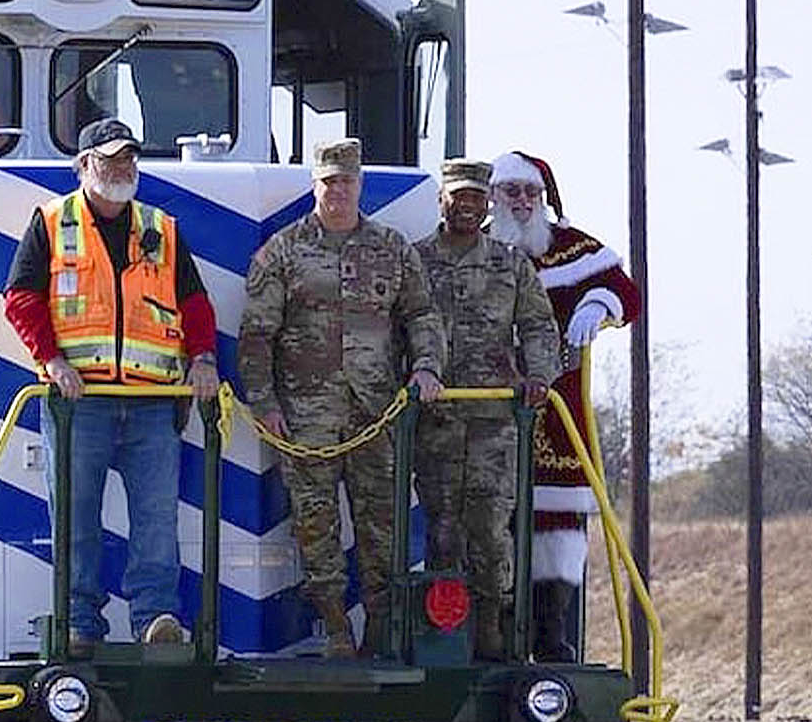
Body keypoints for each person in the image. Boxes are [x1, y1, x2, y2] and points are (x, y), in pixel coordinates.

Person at [3, 119, 221, 653]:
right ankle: (79, 623)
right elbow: (20, 299)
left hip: (152, 401)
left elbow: (194, 304)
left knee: (156, 519)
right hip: (81, 403)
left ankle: (156, 618)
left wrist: (204, 359)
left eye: (128, 159)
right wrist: (51, 361)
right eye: (109, 160)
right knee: (76, 517)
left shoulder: (162, 228)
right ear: (83, 167)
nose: (122, 169)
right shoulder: (52, 223)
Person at [239, 138, 446, 657]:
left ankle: (381, 631)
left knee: (384, 527)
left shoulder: (392, 248)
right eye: (329, 182)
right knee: (315, 525)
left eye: (347, 182)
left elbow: (422, 315)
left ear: (360, 185)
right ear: (316, 185)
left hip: (377, 414)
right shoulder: (283, 251)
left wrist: (426, 367)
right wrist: (264, 403)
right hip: (306, 419)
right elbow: (257, 334)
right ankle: (334, 627)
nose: (338, 191)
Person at [488, 150, 642, 663]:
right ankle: (498, 636)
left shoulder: (571, 250)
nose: (523, 203)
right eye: (513, 192)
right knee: (490, 524)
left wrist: (599, 305)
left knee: (556, 526)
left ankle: (550, 632)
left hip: (557, 409)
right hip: (485, 409)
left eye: (532, 193)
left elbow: (627, 291)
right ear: (495, 195)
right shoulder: (476, 246)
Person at [412, 159, 561, 660]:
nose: (467, 207)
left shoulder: (509, 264)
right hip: (435, 423)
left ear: (487, 206)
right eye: (458, 198)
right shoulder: (415, 261)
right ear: (443, 202)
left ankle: (493, 626)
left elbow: (540, 327)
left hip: (495, 422)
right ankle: (444, 636)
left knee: (491, 530)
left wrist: (538, 376)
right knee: (443, 530)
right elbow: (399, 327)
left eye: (477, 200)